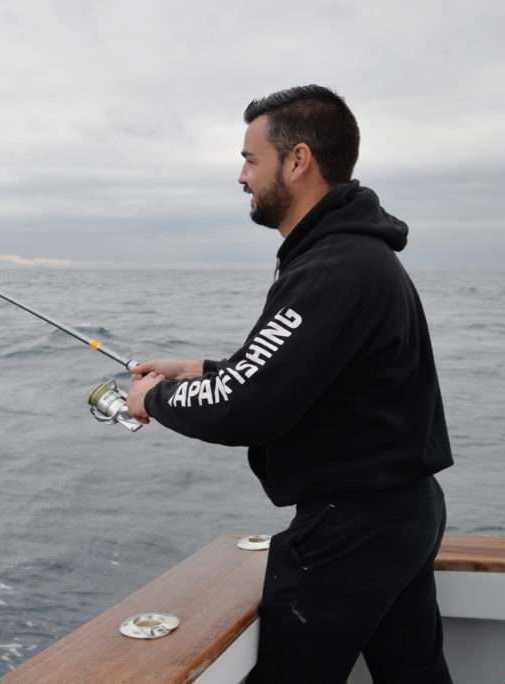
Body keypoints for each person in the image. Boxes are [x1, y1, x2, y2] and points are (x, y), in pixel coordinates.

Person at [125, 85, 454, 683]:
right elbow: (302, 374)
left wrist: (154, 398)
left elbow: (245, 405)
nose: (241, 177)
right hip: (403, 510)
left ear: (298, 160)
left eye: (251, 160)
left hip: (352, 530)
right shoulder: (355, 257)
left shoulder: (333, 267)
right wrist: (197, 369)